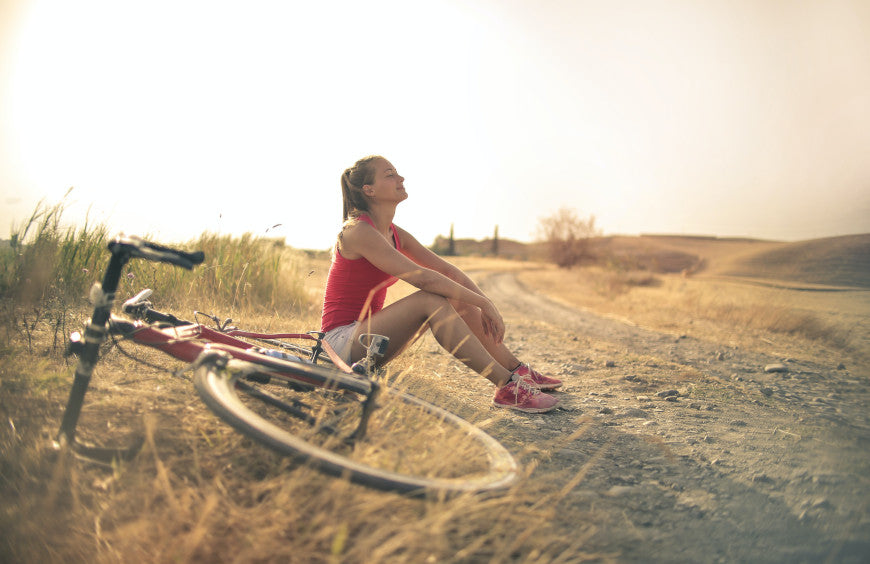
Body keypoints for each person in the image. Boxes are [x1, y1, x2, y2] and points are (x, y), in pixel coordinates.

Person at [320, 155, 561, 413]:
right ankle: (506, 386)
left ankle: (517, 370)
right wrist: (482, 303)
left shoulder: (393, 233)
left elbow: (447, 271)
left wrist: (486, 302)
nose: (401, 178)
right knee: (430, 299)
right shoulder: (357, 231)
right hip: (339, 344)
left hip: (369, 342)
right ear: (369, 190)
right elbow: (422, 277)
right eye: (390, 175)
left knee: (454, 293)